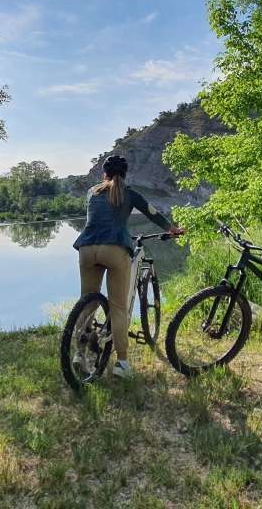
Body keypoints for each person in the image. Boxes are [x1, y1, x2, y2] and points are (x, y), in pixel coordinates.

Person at [72, 155, 184, 378]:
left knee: (87, 303)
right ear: (125, 174)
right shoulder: (130, 193)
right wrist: (171, 228)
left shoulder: (92, 192)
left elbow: (100, 219)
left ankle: (79, 353)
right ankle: (122, 364)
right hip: (114, 249)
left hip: (87, 249)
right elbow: (152, 212)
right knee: (118, 307)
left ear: (104, 173)